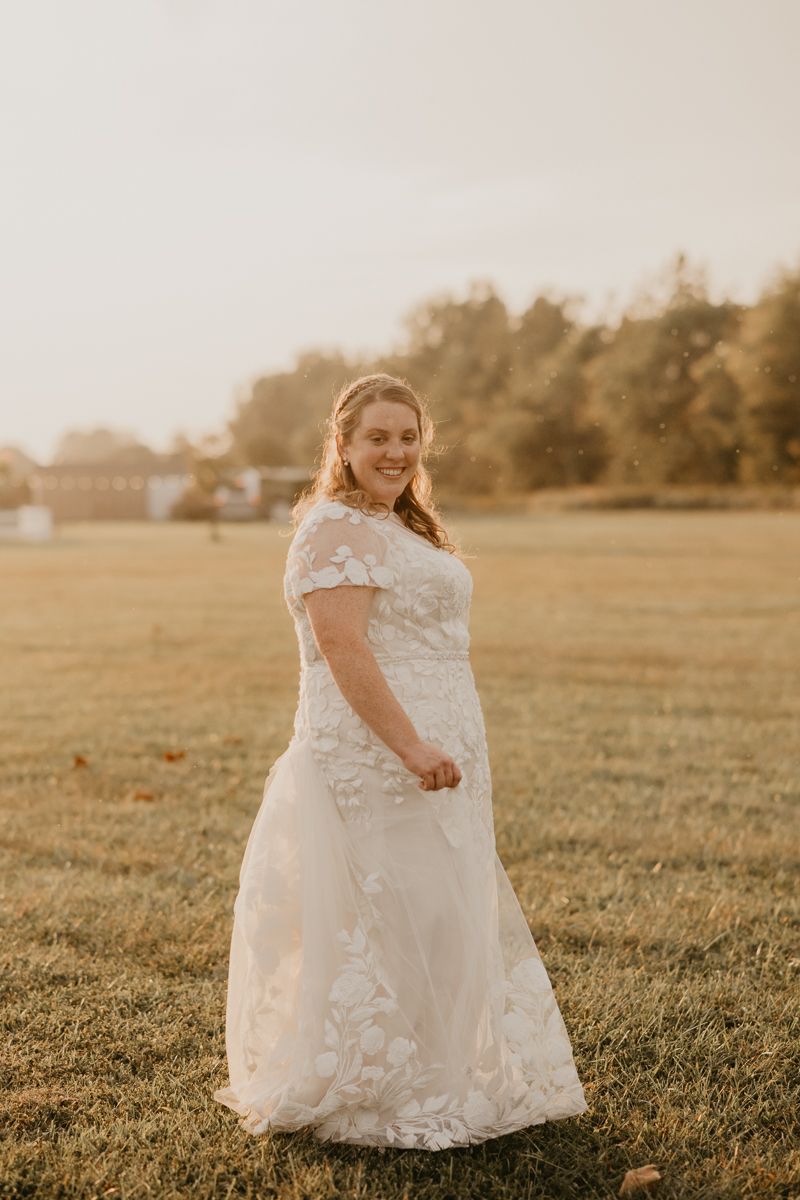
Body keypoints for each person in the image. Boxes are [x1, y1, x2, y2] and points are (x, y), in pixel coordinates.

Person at [214, 375, 586, 1149]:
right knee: (403, 914)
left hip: (440, 754)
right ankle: (381, 1082)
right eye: (377, 437)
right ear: (342, 446)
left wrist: (441, 743)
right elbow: (341, 646)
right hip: (380, 756)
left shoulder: (398, 526)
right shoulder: (334, 529)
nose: (395, 451)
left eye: (408, 437)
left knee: (441, 913)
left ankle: (438, 1069)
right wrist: (411, 744)